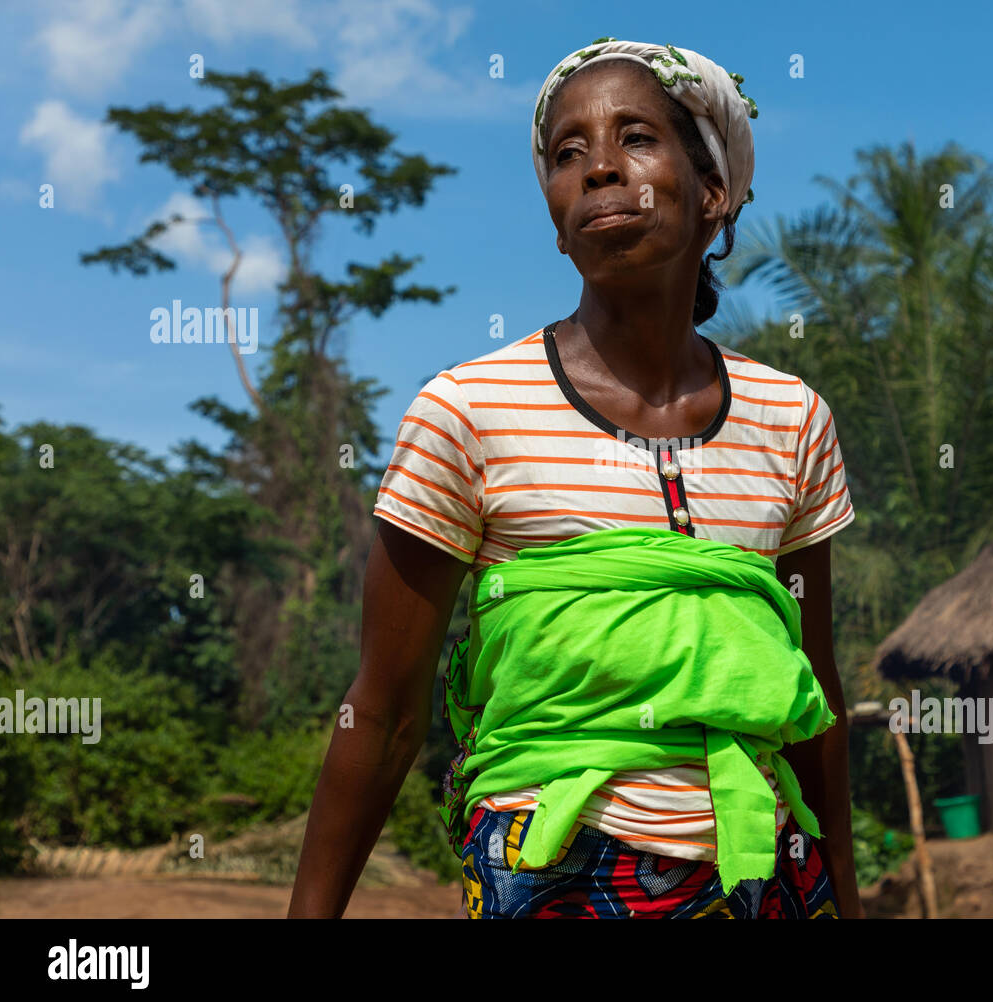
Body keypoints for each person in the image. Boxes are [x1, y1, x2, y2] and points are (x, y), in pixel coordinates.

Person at [288, 37, 861, 920]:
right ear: (556, 221)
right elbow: (386, 709)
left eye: (636, 137)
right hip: (555, 875)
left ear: (714, 193)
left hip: (765, 876)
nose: (598, 168)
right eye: (567, 153)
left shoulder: (791, 420)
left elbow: (813, 699)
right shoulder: (468, 411)